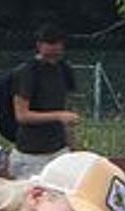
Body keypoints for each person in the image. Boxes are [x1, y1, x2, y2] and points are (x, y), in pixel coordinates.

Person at [7, 24, 80, 180]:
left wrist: (73, 144)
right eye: (49, 44)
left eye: (57, 44)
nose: (54, 49)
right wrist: (58, 116)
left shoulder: (65, 70)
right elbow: (22, 115)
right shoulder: (27, 72)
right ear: (39, 45)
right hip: (31, 152)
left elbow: (67, 109)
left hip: (59, 148)